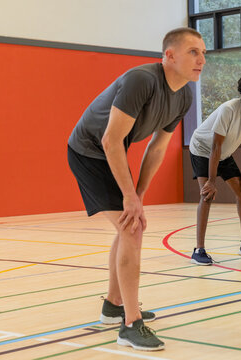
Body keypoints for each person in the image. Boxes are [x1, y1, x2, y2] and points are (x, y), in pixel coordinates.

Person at [67, 27, 206, 351]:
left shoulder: (184, 93)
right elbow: (110, 140)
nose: (201, 60)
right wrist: (130, 197)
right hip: (89, 150)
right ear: (169, 56)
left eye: (203, 53)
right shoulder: (141, 80)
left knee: (129, 225)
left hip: (112, 149)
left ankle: (114, 305)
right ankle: (130, 324)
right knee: (133, 229)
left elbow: (157, 148)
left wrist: (139, 194)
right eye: (193, 52)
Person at [188, 73, 241, 265]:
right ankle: (198, 250)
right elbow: (215, 146)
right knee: (207, 195)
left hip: (224, 153)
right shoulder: (228, 109)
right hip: (203, 149)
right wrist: (211, 181)